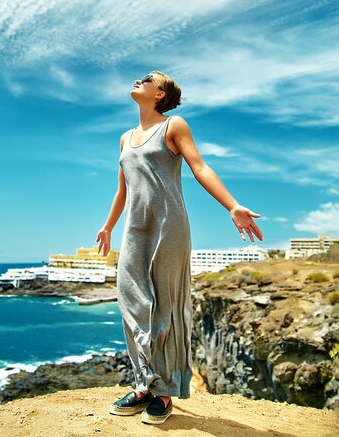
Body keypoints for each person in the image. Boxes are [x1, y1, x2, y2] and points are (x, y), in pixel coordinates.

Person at [96, 70, 263, 425]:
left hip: (169, 226)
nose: (139, 80)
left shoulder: (173, 126)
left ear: (160, 94)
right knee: (132, 302)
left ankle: (164, 391)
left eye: (148, 78)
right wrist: (108, 226)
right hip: (134, 230)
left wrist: (232, 205)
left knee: (167, 306)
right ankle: (144, 382)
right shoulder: (125, 138)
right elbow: (123, 189)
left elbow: (199, 166)